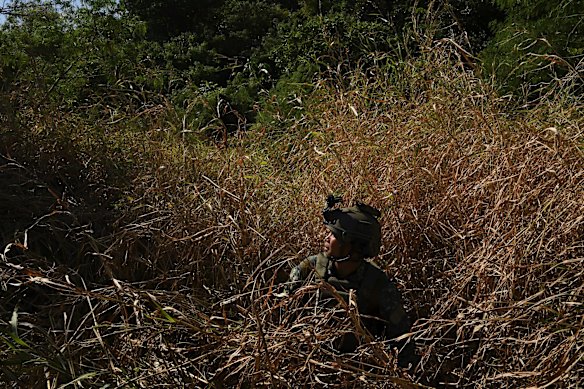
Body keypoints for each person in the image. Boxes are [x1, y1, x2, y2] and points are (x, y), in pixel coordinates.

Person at [286, 195, 417, 368]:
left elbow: (401, 339)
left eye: (334, 235)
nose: (326, 239)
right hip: (306, 362)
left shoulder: (377, 284)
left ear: (353, 246)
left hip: (355, 368)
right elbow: (284, 316)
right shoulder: (309, 269)